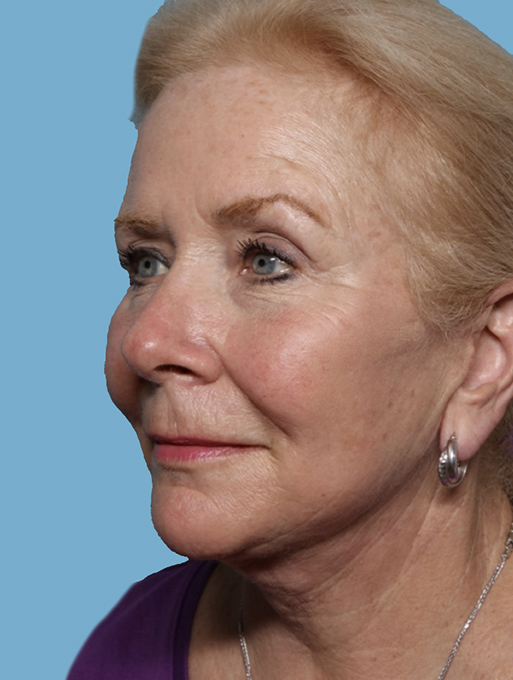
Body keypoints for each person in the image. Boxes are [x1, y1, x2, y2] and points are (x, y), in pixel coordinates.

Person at [68, 0, 513, 678]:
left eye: (266, 260)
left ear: (482, 360)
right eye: (146, 262)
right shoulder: (120, 654)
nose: (146, 343)